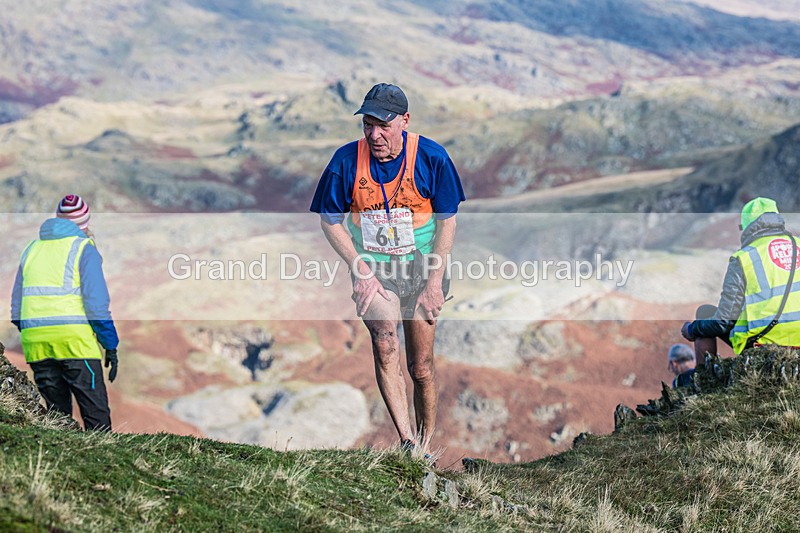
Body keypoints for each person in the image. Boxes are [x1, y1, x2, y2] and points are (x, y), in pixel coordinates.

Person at [310, 83, 465, 452]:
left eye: (383, 125)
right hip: (376, 271)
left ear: (404, 121)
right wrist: (359, 269)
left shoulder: (431, 157)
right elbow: (330, 220)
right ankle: (408, 442)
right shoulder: (345, 162)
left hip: (424, 268)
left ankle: (426, 445)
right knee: (384, 341)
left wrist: (433, 283)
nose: (374, 134)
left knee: (422, 367)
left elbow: (448, 222)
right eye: (367, 125)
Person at [10, 195, 119, 430]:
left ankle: (55, 464)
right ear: (85, 224)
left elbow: (16, 309)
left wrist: (37, 331)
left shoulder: (31, 249)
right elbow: (96, 304)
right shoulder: (84, 249)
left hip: (36, 343)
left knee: (57, 419)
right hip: (75, 342)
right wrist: (110, 345)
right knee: (96, 416)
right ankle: (102, 465)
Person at [681, 197, 800, 357]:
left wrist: (692, 329)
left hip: (764, 345)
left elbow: (723, 321)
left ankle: (704, 378)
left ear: (747, 228)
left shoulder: (744, 258)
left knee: (705, 313)